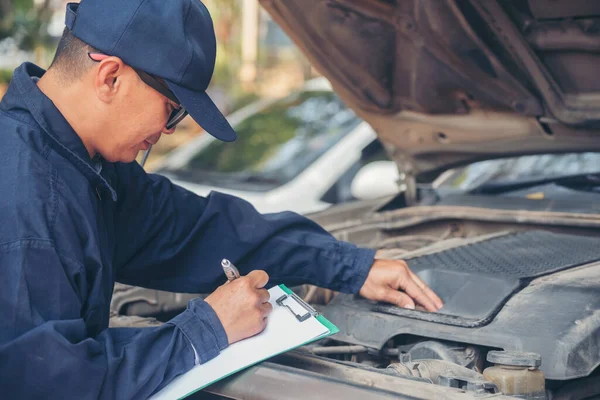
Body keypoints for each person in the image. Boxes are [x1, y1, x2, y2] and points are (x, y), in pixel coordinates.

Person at [0, 0, 443, 399]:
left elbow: (198, 229)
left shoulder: (81, 166)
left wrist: (350, 265)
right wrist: (202, 332)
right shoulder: (26, 199)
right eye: (172, 107)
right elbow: (44, 383)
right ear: (111, 77)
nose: (171, 129)